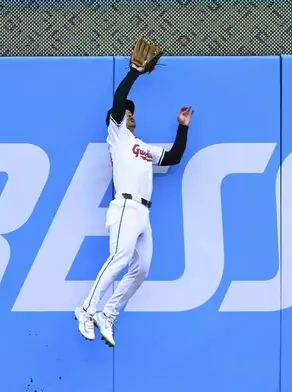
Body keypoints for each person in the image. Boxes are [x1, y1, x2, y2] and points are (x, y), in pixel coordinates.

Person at [74, 61, 194, 347]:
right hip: (125, 206)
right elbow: (118, 101)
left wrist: (182, 128)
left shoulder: (142, 146)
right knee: (119, 259)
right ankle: (87, 310)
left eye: (132, 112)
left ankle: (109, 314)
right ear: (115, 120)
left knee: (142, 269)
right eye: (126, 112)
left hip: (143, 213)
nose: (130, 113)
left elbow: (174, 157)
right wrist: (134, 73)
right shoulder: (117, 136)